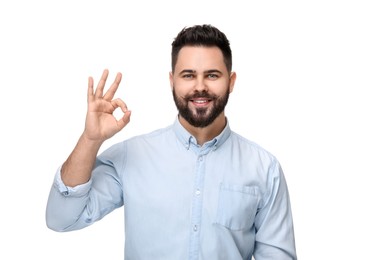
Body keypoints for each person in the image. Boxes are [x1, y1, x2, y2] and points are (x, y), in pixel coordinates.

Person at [46, 24, 297, 259]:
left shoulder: (264, 169)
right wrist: (90, 139)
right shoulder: (131, 156)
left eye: (212, 75)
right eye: (188, 75)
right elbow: (62, 218)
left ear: (230, 82)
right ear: (172, 81)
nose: (200, 87)